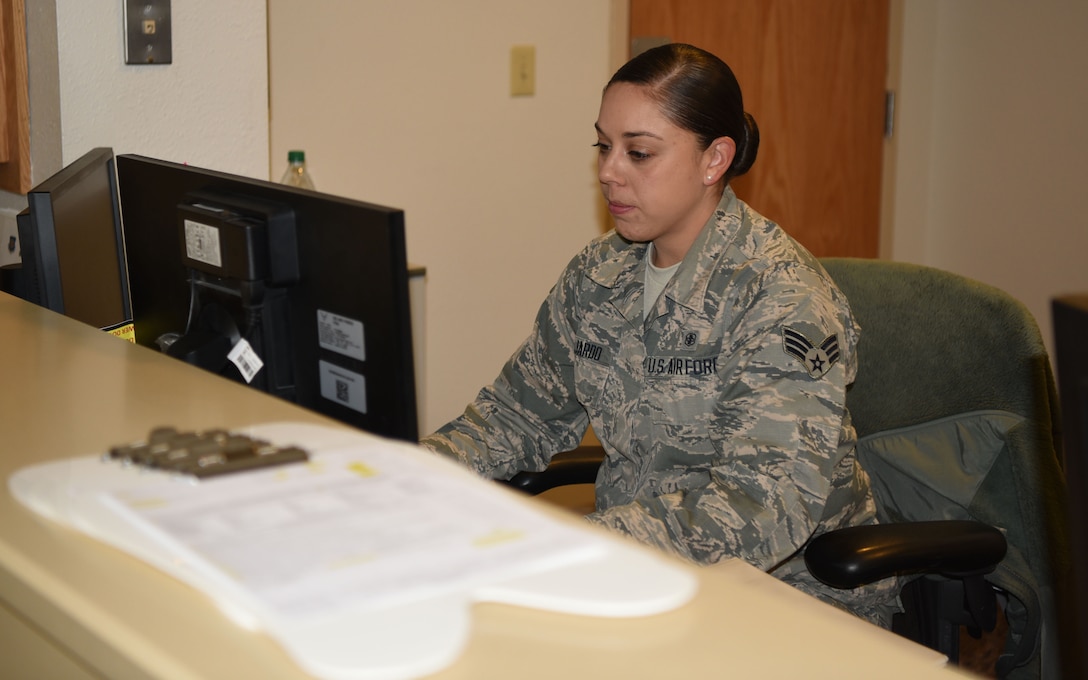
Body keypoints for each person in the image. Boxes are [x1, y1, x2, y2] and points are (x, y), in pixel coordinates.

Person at [420, 43, 898, 625]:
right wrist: (414, 475)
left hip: (785, 600)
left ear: (714, 160)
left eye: (638, 152)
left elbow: (763, 508)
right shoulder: (599, 274)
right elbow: (515, 415)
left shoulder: (780, 297)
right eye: (602, 145)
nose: (608, 171)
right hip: (637, 577)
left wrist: (574, 547)